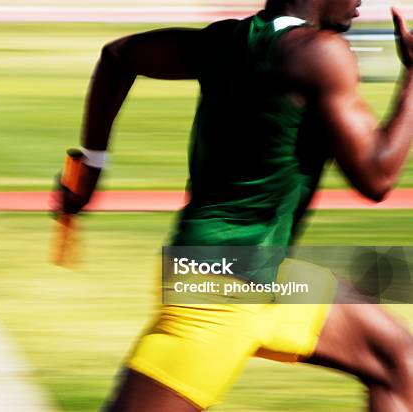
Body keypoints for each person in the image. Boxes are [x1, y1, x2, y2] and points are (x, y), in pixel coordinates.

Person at [54, 1, 413, 410]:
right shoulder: (321, 53)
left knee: (398, 357)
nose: (359, 1)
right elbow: (377, 178)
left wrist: (90, 168)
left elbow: (119, 56)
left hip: (267, 278)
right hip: (221, 290)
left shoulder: (224, 41)